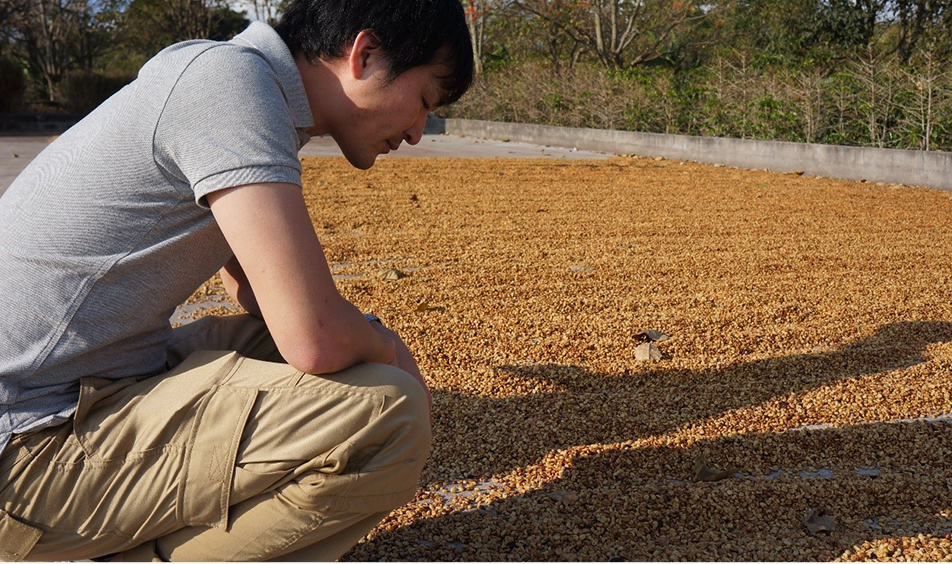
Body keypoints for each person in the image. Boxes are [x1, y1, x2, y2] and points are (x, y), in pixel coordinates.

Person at [0, 0, 473, 560]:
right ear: (365, 55)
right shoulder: (231, 87)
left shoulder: (233, 76)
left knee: (338, 358)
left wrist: (364, 338)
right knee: (390, 414)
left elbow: (253, 292)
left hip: (77, 383)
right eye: (423, 102)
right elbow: (314, 335)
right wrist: (388, 344)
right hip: (26, 446)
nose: (419, 132)